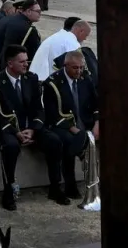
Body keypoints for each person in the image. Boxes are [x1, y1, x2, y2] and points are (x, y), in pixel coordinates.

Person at [0, 44, 67, 207]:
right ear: (10, 63)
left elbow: (38, 109)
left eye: (26, 61)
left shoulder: (31, 79)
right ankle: (9, 190)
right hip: (7, 129)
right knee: (10, 147)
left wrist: (33, 129)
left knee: (54, 141)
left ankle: (55, 186)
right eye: (22, 61)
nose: (26, 64)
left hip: (30, 128)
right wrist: (16, 132)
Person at [42, 49, 99, 200]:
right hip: (63, 125)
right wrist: (74, 129)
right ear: (65, 65)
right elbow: (52, 114)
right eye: (75, 68)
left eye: (81, 67)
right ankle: (69, 183)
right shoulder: (52, 83)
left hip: (85, 122)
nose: (79, 71)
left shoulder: (85, 78)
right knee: (68, 141)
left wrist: (97, 123)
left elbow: (95, 103)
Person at [31, 16, 89, 80]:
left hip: (36, 77)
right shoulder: (71, 42)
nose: (85, 38)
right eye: (86, 35)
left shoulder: (56, 37)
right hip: (46, 81)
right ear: (80, 30)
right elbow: (78, 67)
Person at [0, 0, 42, 64]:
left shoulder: (7, 19)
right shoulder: (28, 29)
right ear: (28, 11)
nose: (40, 13)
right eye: (38, 11)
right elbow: (34, 54)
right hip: (7, 65)